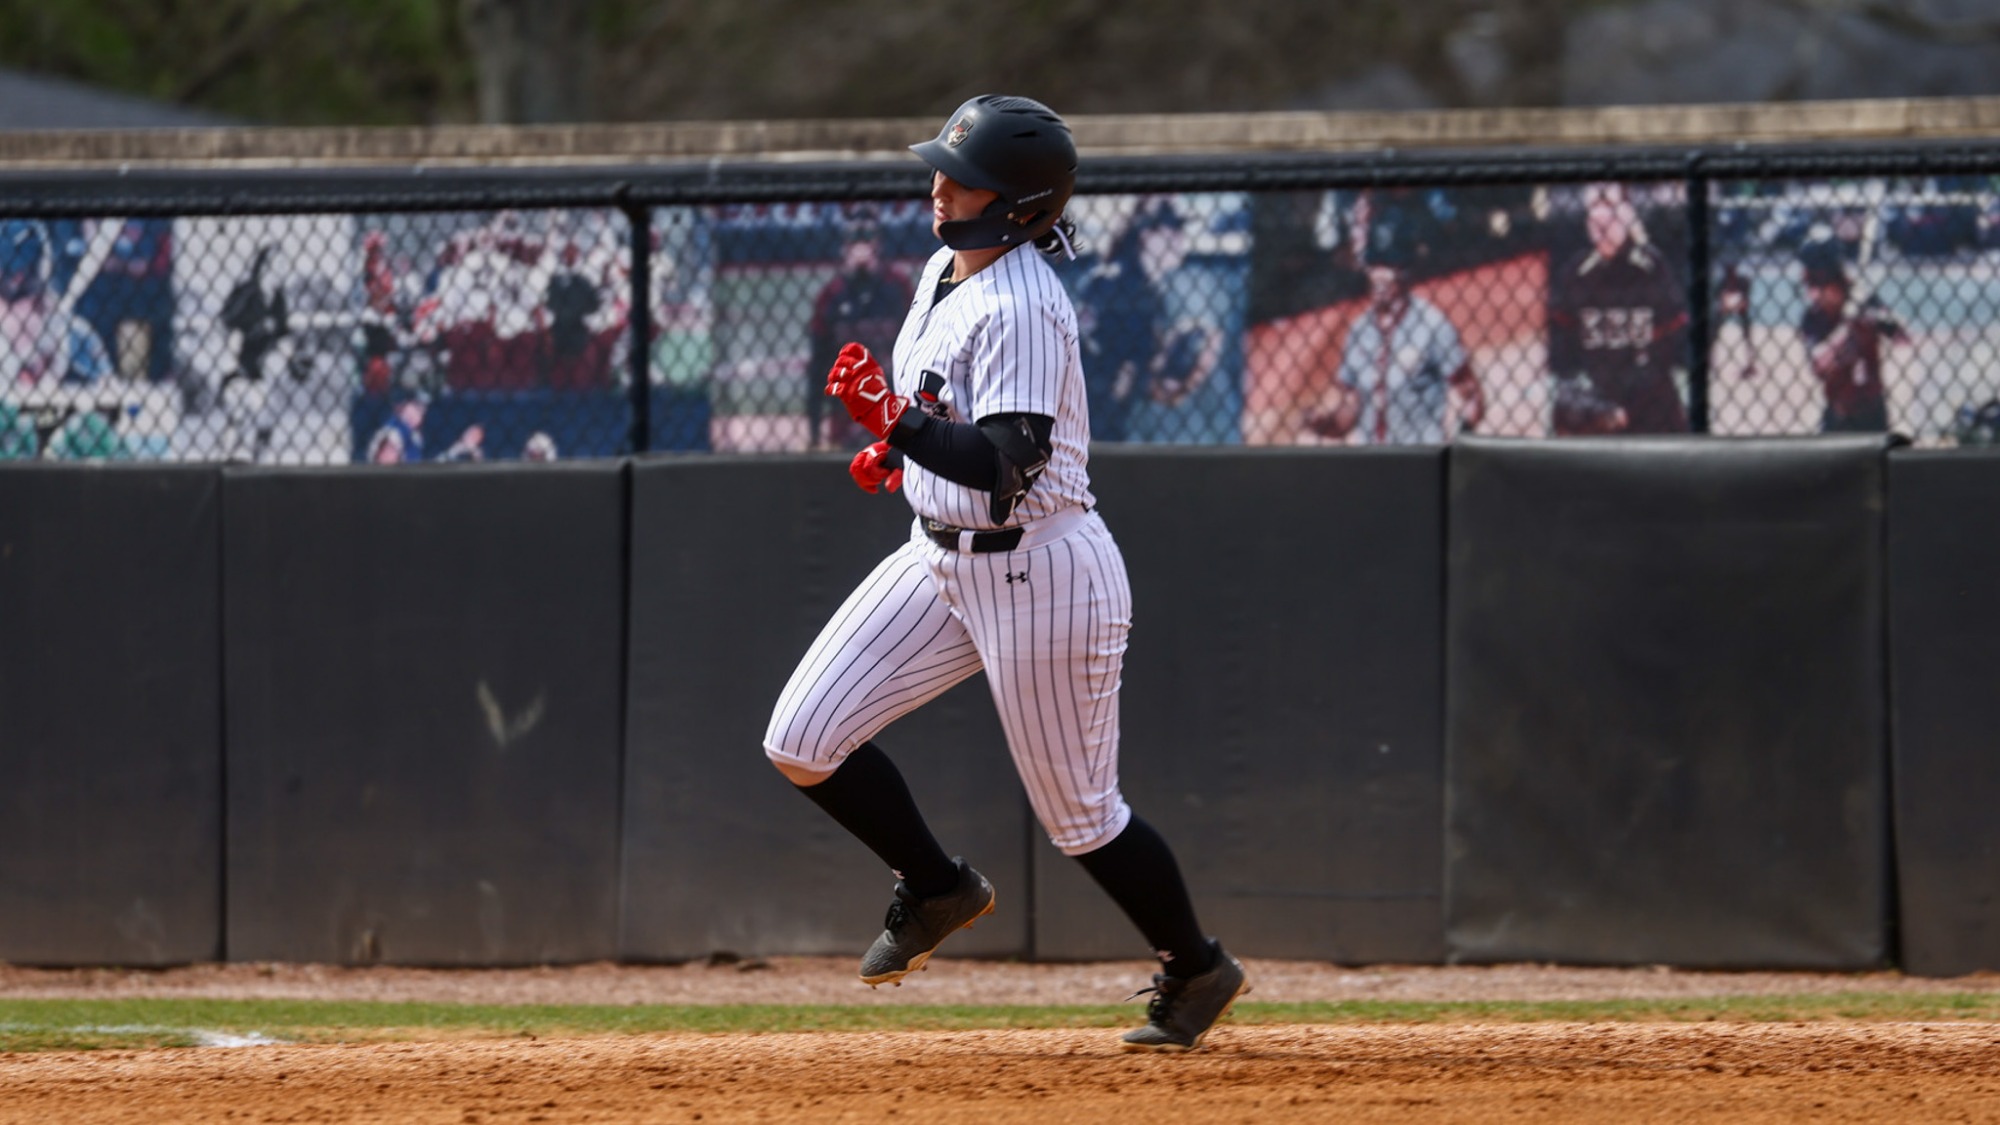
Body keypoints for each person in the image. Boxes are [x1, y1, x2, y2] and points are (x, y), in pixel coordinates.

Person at [763, 94, 1249, 1054]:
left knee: (1082, 818)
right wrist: (901, 457)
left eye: (963, 175)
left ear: (1020, 206)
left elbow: (1005, 463)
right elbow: (949, 414)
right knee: (802, 737)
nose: (938, 183)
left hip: (1043, 575)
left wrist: (896, 427)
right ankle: (938, 886)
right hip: (940, 558)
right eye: (942, 167)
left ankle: (1197, 968)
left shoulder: (1026, 301)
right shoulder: (948, 267)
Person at [1305, 202, 1485, 443]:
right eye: (1374, 264)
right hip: (1374, 463)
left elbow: (1472, 397)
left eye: (1389, 265)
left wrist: (1457, 441)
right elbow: (1349, 413)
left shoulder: (1432, 326)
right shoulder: (1359, 332)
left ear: (1406, 269)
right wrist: (1323, 423)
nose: (1380, 275)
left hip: (1420, 460)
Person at [1546, 182, 1690, 435]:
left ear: (1628, 215)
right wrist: (1592, 405)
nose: (1600, 216)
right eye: (1593, 207)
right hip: (1598, 404)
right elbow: (1561, 359)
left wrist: (1629, 407)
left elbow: (1673, 350)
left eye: (1609, 205)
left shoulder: (1651, 269)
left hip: (1652, 408)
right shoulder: (1576, 274)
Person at [805, 233, 912, 450]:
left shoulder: (897, 287)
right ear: (845, 250)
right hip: (847, 399)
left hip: (892, 391)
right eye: (854, 242)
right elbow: (817, 362)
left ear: (877, 247)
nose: (861, 250)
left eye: (867, 242)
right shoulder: (832, 293)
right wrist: (814, 433)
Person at [1797, 236, 1902, 433]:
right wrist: (1847, 327)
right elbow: (1819, 366)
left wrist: (1874, 317)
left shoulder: (1863, 299)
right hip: (1837, 414)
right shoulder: (1813, 317)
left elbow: (1903, 337)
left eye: (1818, 282)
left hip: (1873, 414)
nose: (1812, 291)